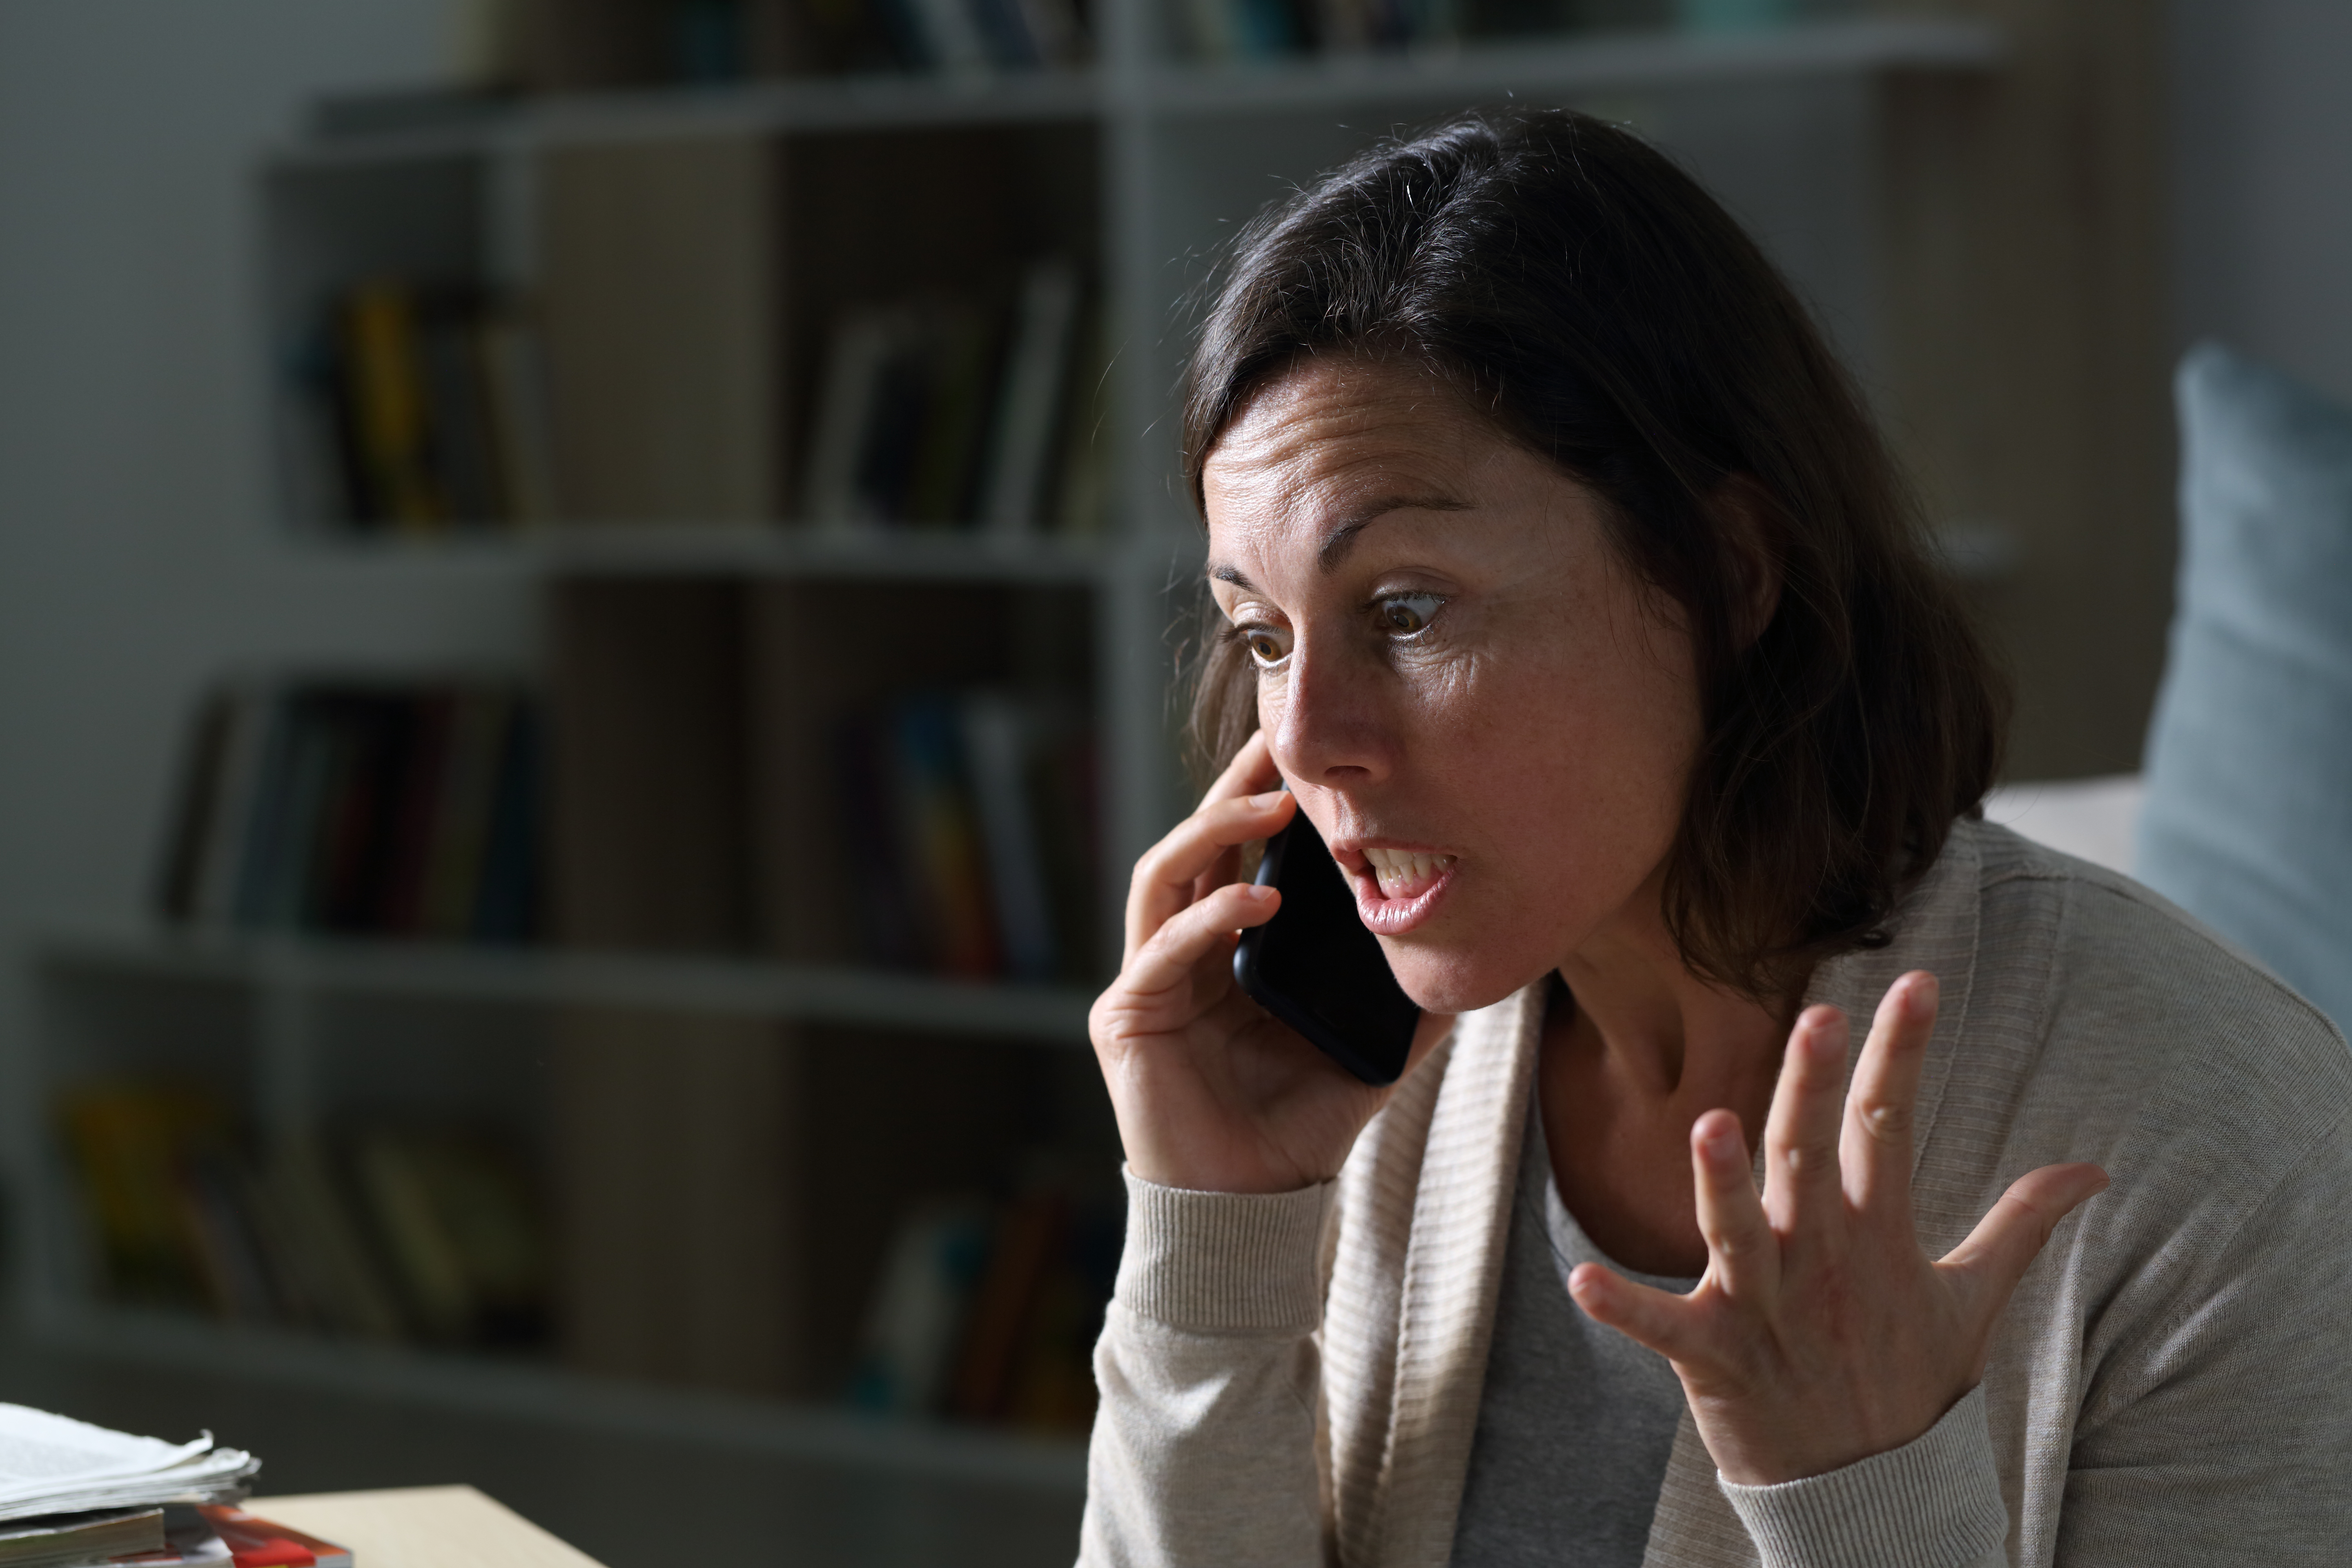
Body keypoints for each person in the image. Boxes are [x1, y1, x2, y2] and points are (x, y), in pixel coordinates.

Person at [1076, 109, 2352, 1567]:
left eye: (1408, 610)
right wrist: (1213, 1245)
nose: (1305, 741)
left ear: (1729, 572)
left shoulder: (2223, 1142)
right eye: (1262, 634)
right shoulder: (1355, 1102)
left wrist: (1860, 1499)